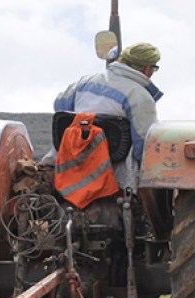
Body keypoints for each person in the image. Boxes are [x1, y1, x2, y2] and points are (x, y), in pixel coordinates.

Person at [41, 42, 163, 192]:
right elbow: (144, 145)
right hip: (116, 175)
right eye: (154, 68)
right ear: (147, 68)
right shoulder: (140, 96)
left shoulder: (83, 82)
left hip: (70, 164)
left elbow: (60, 110)